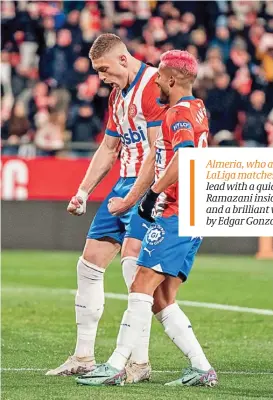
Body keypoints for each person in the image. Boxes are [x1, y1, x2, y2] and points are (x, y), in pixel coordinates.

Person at [76, 50, 218, 387]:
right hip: (194, 210)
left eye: (158, 78)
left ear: (171, 79)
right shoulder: (197, 108)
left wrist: (153, 193)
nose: (153, 81)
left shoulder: (178, 113)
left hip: (176, 211)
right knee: (162, 298)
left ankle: (116, 365)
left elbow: (183, 156)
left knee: (140, 283)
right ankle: (201, 368)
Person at [46, 33, 167, 382]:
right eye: (98, 71)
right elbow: (109, 148)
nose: (101, 77)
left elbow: (158, 150)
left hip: (150, 188)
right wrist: (83, 191)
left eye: (104, 69)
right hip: (123, 185)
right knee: (89, 265)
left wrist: (135, 197)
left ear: (124, 59)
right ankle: (83, 356)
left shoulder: (153, 87)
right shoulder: (117, 96)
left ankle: (139, 363)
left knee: (134, 270)